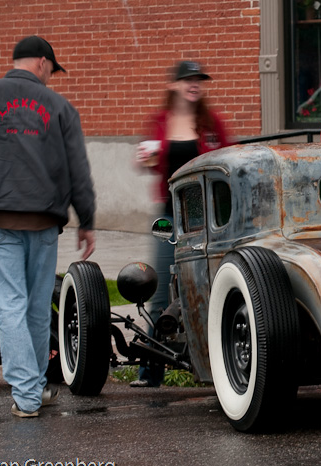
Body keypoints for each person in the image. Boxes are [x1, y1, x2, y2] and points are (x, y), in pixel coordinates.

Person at [0, 36, 96, 417]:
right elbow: (77, 169)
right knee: (35, 306)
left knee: (12, 305)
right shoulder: (59, 106)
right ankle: (32, 390)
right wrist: (87, 220)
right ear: (40, 62)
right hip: (44, 221)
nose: (51, 75)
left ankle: (27, 395)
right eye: (52, 67)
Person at [131, 61, 231, 387]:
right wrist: (145, 159)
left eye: (199, 80)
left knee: (207, 282)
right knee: (161, 286)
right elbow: (150, 163)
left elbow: (228, 159)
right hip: (166, 213)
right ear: (174, 85)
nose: (194, 84)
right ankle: (150, 372)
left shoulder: (210, 122)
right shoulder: (161, 121)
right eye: (188, 79)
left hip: (203, 215)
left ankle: (215, 364)